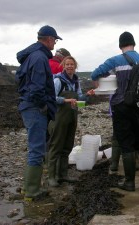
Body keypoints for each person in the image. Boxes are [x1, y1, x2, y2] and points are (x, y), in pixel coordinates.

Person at [91, 31, 139, 191]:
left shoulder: (116, 60)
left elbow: (95, 74)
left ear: (121, 46)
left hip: (121, 105)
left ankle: (129, 182)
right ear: (134, 44)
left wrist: (106, 77)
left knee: (126, 143)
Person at [15, 25, 61, 200]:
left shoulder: (32, 56)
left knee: (36, 148)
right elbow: (37, 89)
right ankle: (32, 191)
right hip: (35, 109)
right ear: (48, 39)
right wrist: (43, 107)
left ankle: (29, 188)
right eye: (55, 40)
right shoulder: (40, 58)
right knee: (37, 149)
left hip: (28, 106)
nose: (55, 43)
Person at [47, 56, 95, 187]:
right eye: (67, 64)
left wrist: (87, 95)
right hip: (59, 117)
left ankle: (62, 175)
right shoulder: (58, 80)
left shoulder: (76, 81)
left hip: (72, 116)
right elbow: (51, 98)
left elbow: (79, 99)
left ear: (75, 66)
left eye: (72, 64)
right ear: (63, 66)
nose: (69, 66)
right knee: (55, 146)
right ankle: (51, 176)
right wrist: (65, 100)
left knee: (67, 146)